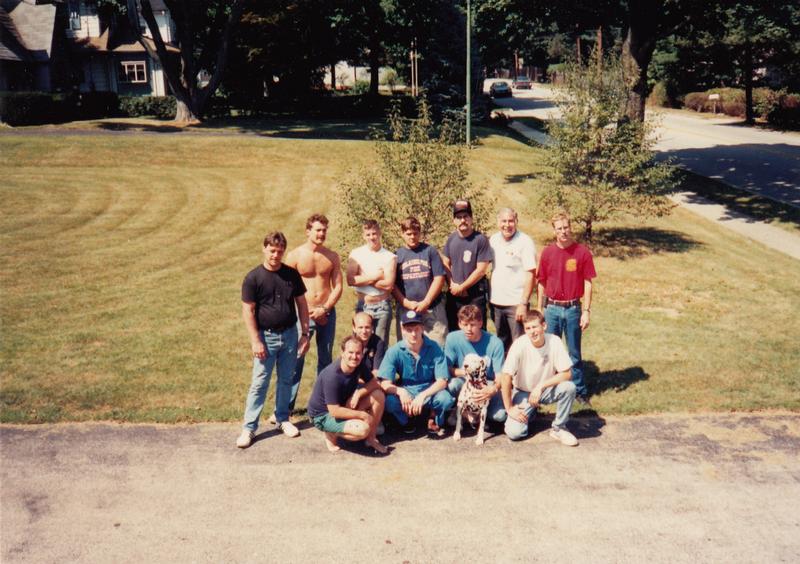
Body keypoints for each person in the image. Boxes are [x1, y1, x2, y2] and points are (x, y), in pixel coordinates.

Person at [237, 232, 310, 448]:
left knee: (286, 379)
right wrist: (255, 340)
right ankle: (249, 428)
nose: (275, 255)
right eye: (272, 251)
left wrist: (305, 334)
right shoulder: (253, 278)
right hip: (265, 338)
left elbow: (302, 305)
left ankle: (282, 419)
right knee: (260, 382)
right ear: (264, 249)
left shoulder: (291, 275)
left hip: (289, 335)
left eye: (279, 251)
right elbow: (248, 311)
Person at [284, 213, 343, 416]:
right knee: (296, 358)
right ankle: (285, 408)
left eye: (324, 230)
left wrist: (325, 308)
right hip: (303, 314)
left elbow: (338, 287)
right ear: (308, 231)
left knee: (325, 358)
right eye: (318, 230)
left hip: (326, 313)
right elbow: (285, 288)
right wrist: (305, 311)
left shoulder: (332, 256)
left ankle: (321, 404)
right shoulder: (294, 256)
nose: (321, 234)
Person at [536, 212, 597, 406]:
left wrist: (586, 311)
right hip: (552, 308)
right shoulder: (547, 253)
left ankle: (579, 391)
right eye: (559, 228)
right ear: (554, 230)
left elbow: (588, 283)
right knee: (549, 351)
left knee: (574, 353)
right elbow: (541, 283)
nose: (563, 231)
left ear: (571, 227)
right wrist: (540, 309)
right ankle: (549, 388)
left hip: (572, 309)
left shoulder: (582, 252)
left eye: (566, 227)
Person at [497, 310, 578, 446]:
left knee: (569, 387)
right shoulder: (519, 344)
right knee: (514, 433)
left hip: (545, 390)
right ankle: (531, 413)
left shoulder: (555, 341)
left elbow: (567, 374)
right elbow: (506, 376)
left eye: (535, 327)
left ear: (544, 326)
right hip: (523, 392)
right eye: (528, 328)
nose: (532, 332)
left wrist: (541, 386)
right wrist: (509, 408)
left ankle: (559, 428)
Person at [377, 310, 454, 436]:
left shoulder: (435, 348)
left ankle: (433, 416)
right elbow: (385, 383)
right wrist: (400, 392)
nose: (413, 334)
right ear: (402, 329)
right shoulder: (395, 351)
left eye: (417, 329)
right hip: (407, 389)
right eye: (409, 329)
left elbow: (442, 381)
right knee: (389, 402)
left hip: (429, 389)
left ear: (422, 328)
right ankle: (406, 420)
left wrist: (422, 396)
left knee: (445, 399)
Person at [307, 336, 388, 454]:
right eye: (350, 352)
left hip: (344, 405)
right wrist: (362, 415)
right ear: (342, 353)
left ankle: (371, 439)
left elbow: (375, 383)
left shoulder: (357, 364)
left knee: (378, 395)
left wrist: (358, 393)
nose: (354, 357)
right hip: (323, 415)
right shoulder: (332, 375)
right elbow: (334, 411)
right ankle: (330, 432)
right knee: (362, 429)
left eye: (358, 353)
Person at [392, 216, 448, 346]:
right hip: (407, 309)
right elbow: (392, 285)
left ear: (420, 233)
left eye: (415, 233)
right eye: (408, 234)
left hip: (432, 308)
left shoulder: (430, 251)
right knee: (408, 347)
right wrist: (405, 302)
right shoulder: (397, 255)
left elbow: (439, 278)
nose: (412, 237)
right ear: (402, 234)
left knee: (438, 345)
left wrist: (426, 301)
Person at [443, 305, 505, 423]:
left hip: (488, 382)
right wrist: (466, 373)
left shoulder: (495, 343)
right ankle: (460, 409)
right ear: (459, 323)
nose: (468, 329)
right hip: (465, 381)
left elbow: (500, 376)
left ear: (480, 323)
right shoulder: (452, 338)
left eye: (472, 325)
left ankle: (479, 414)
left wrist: (492, 389)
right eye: (465, 324)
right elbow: (448, 368)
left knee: (499, 416)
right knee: (452, 384)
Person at [489, 207, 537, 352]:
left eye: (511, 221)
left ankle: (521, 375)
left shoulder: (525, 241)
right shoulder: (493, 240)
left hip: (516, 304)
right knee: (501, 343)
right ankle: (506, 373)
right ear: (498, 222)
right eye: (504, 221)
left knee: (519, 344)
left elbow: (531, 273)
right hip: (496, 303)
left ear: (516, 221)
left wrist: (523, 303)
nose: (507, 225)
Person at [442, 199, 492, 331]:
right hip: (454, 295)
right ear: (454, 221)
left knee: (476, 331)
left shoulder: (480, 240)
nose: (462, 220)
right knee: (454, 331)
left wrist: (462, 287)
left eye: (465, 217)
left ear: (471, 219)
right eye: (458, 217)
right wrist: (452, 284)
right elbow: (445, 263)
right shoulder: (451, 239)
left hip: (475, 295)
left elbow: (481, 269)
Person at [346, 220, 396, 345]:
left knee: (380, 346)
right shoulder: (356, 254)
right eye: (368, 234)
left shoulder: (389, 256)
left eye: (374, 233)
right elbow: (351, 280)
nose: (371, 237)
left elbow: (389, 284)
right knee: (359, 344)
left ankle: (378, 366)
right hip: (363, 306)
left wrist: (364, 278)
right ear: (363, 236)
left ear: (380, 233)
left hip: (382, 306)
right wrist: (377, 275)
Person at [352, 311, 386, 379]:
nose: (364, 331)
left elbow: (377, 372)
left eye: (367, 327)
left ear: (372, 328)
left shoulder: (378, 343)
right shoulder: (349, 344)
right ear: (354, 328)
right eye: (360, 327)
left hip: (371, 380)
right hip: (352, 380)